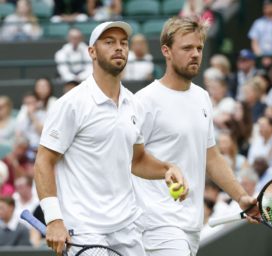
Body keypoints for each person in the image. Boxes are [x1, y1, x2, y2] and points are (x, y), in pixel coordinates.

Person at [34, 21, 188, 256]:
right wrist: (54, 218)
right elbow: (44, 161)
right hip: (85, 230)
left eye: (123, 43)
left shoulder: (133, 103)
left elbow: (137, 161)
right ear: (92, 52)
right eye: (109, 42)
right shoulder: (70, 104)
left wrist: (167, 168)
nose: (119, 48)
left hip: (127, 226)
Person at [132, 16, 259, 256]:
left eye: (199, 48)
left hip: (191, 224)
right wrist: (166, 170)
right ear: (166, 51)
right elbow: (130, 160)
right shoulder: (144, 101)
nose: (195, 54)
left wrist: (241, 197)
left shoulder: (202, 97)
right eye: (187, 48)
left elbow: (211, 157)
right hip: (156, 223)